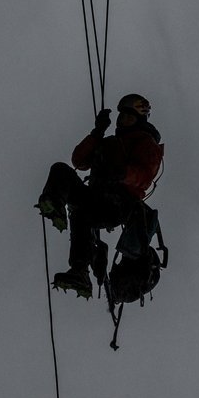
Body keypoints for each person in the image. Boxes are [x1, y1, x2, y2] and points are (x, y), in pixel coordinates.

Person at [37, 93, 163, 297]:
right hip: (97, 196)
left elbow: (144, 175)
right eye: (122, 117)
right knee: (61, 172)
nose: (123, 121)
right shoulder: (110, 142)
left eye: (129, 117)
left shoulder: (146, 143)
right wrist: (97, 132)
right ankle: (56, 209)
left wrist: (122, 173)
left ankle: (81, 270)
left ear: (139, 120)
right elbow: (79, 161)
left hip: (119, 203)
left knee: (83, 213)